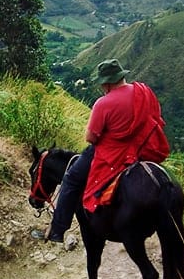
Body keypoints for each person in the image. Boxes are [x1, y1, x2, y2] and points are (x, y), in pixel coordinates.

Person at [44, 58, 168, 243]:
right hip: (143, 147)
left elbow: (91, 138)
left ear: (107, 83)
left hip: (114, 152)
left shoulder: (103, 103)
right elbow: (156, 117)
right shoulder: (145, 92)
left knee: (71, 178)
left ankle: (58, 229)